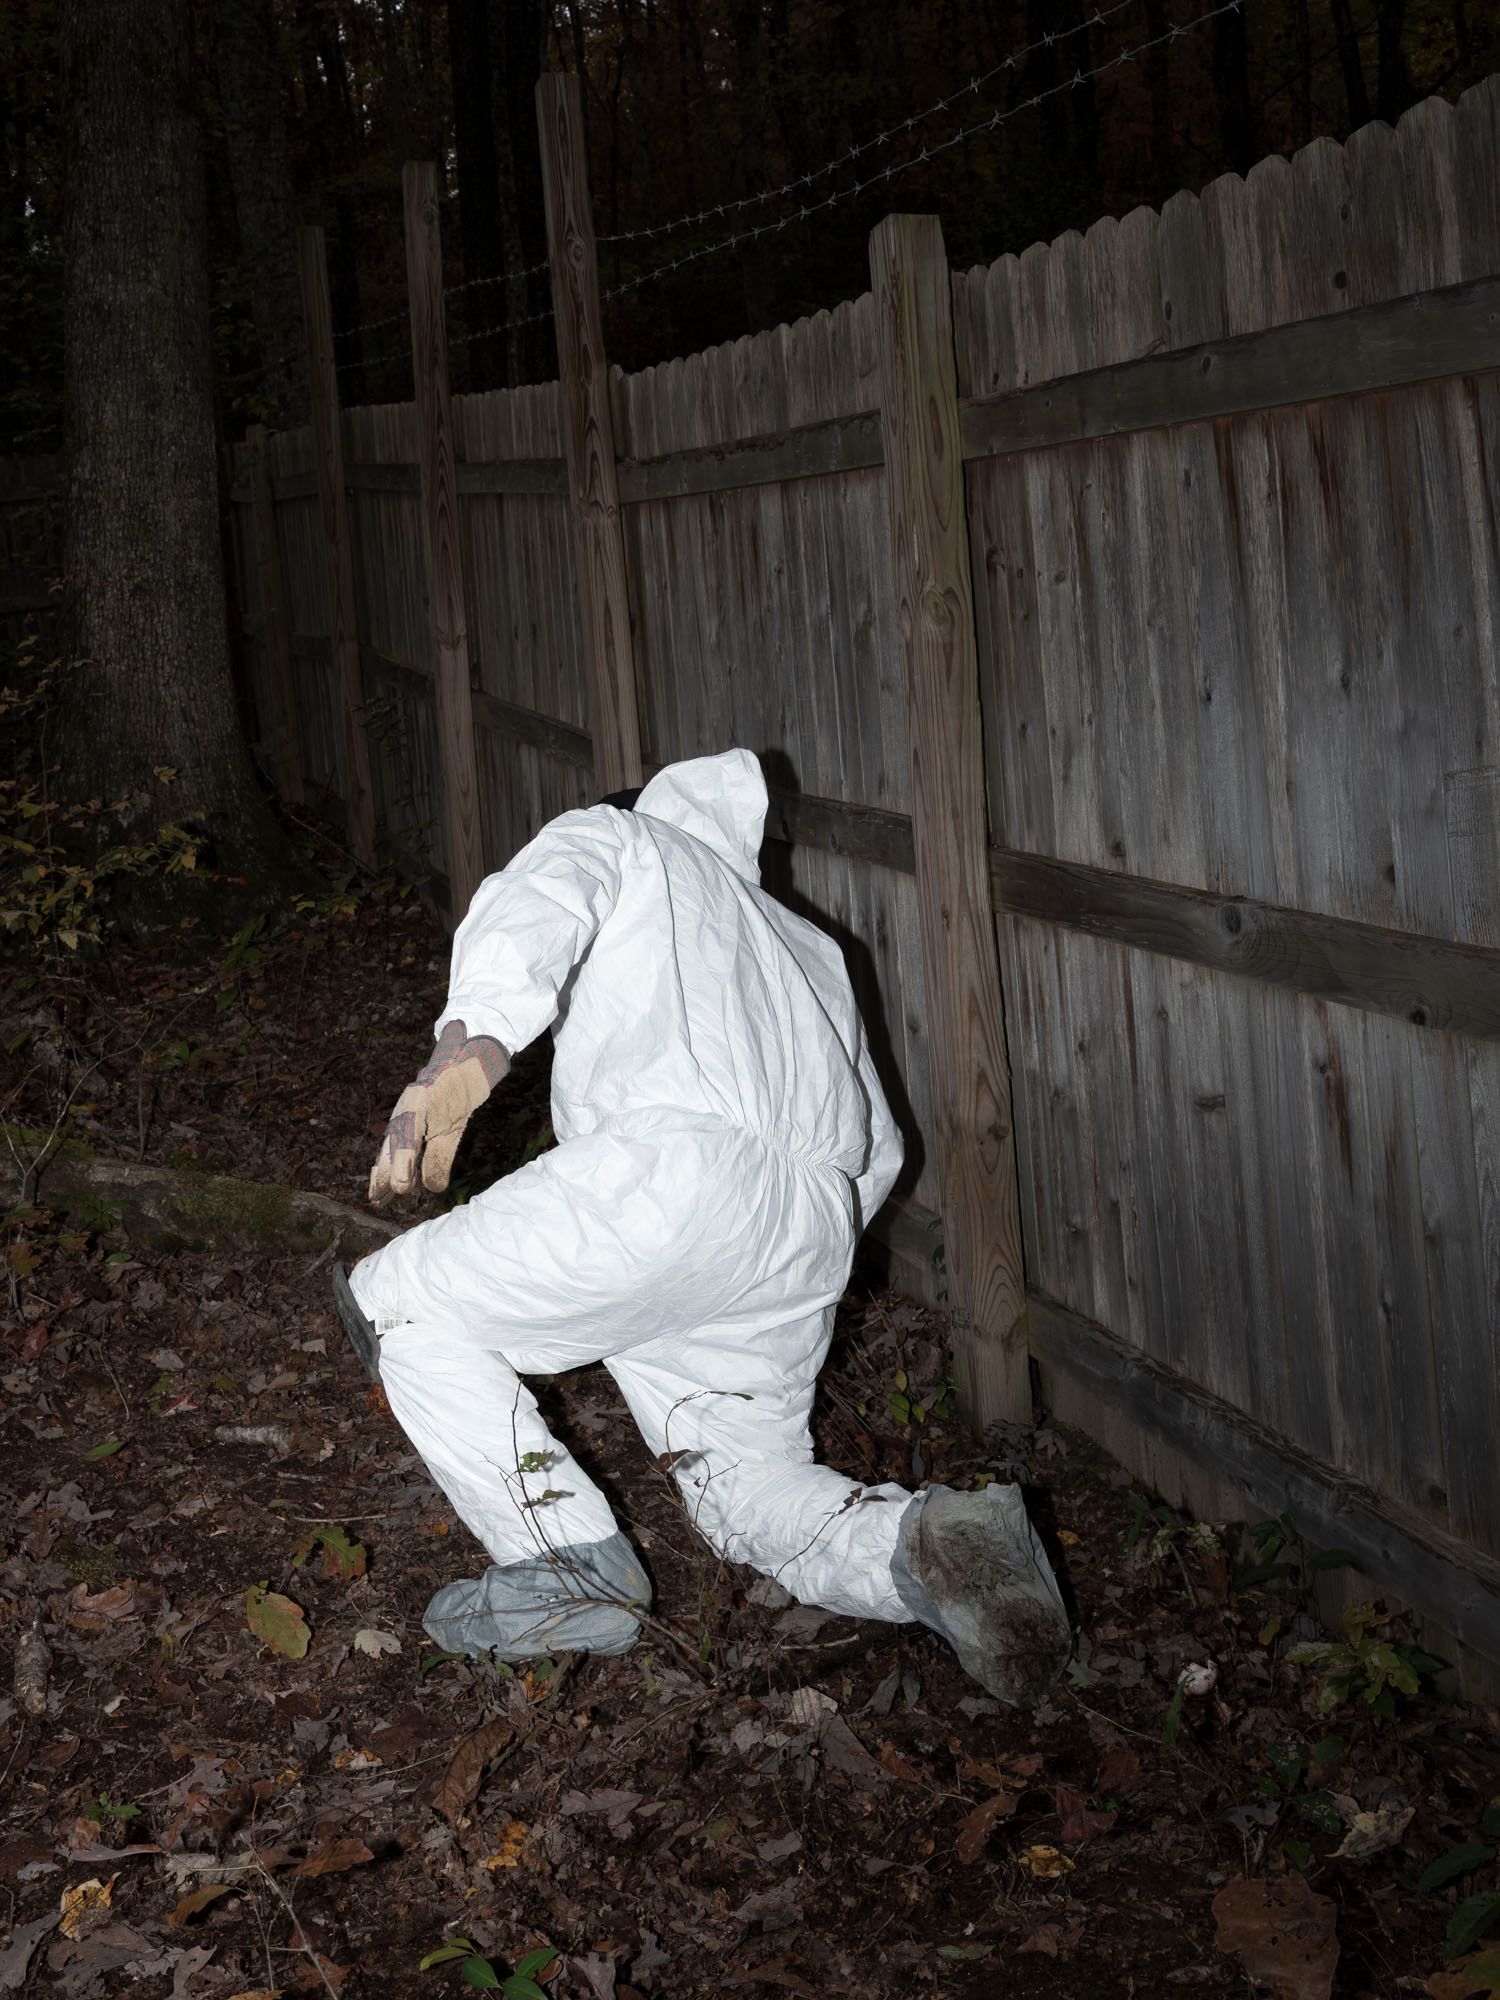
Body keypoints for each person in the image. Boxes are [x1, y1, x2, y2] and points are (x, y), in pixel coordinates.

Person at [336, 749, 1070, 1705]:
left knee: (396, 1302)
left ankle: (560, 1562)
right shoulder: (812, 953)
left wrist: (471, 1037)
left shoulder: (626, 839)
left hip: (670, 1172)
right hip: (807, 1228)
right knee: (746, 1485)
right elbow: (879, 1149)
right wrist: (806, 1250)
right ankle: (925, 1545)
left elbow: (552, 888)